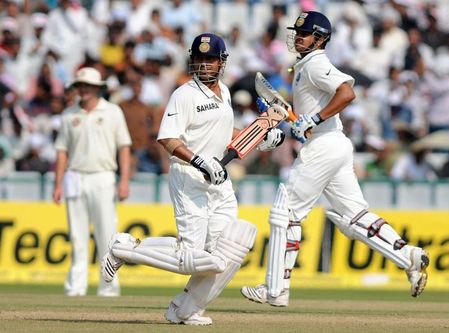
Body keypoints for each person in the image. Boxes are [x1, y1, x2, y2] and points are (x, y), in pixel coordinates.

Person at [241, 11, 430, 307]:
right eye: (297, 32)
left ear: (320, 38)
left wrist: (315, 117)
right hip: (334, 144)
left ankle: (275, 289)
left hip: (324, 146)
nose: (297, 37)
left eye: (304, 33)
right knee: (354, 217)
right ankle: (409, 257)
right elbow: (312, 110)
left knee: (285, 212)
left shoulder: (316, 63)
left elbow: (347, 93)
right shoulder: (305, 65)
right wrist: (300, 116)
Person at [100, 33, 284, 325]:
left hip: (219, 181)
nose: (204, 65)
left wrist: (263, 138)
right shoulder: (184, 94)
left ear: (222, 63)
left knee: (227, 249)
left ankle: (184, 309)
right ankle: (122, 248)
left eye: (210, 59)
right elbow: (168, 138)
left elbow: (226, 135)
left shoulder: (223, 91)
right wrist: (200, 162)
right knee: (192, 256)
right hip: (190, 178)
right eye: (199, 59)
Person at [52, 67, 132, 297]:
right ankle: (75, 287)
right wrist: (58, 184)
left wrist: (124, 181)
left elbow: (124, 147)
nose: (84, 90)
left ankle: (109, 286)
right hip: (75, 176)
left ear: (98, 88)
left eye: (88, 86)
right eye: (81, 86)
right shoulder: (69, 114)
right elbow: (61, 151)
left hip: (103, 176)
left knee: (106, 235)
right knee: (77, 235)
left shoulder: (113, 112)